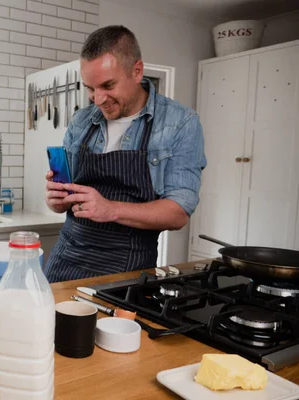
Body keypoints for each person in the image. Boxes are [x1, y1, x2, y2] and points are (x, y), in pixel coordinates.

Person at [44, 25, 207, 283]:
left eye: (108, 85)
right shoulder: (81, 121)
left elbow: (178, 214)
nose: (98, 99)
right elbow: (65, 198)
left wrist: (110, 209)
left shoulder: (180, 122)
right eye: (90, 88)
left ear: (137, 71)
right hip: (66, 259)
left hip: (127, 267)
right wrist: (57, 200)